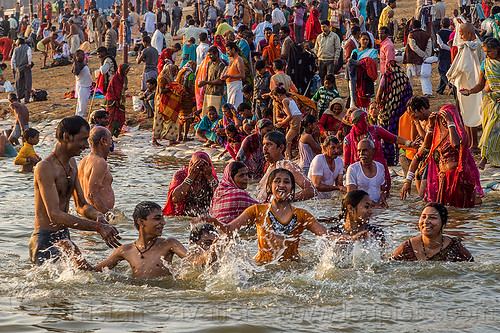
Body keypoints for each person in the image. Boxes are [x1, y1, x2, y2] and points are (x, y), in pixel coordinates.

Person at [30, 116, 121, 266]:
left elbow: (81, 205)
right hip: (45, 239)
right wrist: (97, 228)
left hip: (64, 236)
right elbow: (54, 215)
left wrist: (99, 216)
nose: (86, 146)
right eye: (83, 139)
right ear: (67, 137)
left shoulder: (71, 163)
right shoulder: (45, 167)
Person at [206, 168, 328, 264]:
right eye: (277, 181)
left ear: (291, 188)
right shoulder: (257, 210)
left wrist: (346, 237)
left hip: (292, 267)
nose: (281, 185)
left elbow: (326, 235)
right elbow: (229, 229)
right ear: (269, 187)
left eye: (286, 182)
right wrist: (214, 222)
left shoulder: (301, 215)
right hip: (263, 266)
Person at [60, 201, 188, 278]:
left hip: (163, 297)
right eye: (157, 218)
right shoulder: (126, 250)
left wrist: (207, 253)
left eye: (163, 218)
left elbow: (193, 259)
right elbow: (92, 272)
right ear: (141, 222)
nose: (163, 223)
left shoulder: (169, 244)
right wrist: (73, 251)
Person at [401, 105, 483, 208]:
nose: (444, 121)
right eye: (442, 118)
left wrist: (451, 123)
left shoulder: (460, 135)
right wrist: (408, 181)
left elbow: (456, 144)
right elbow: (419, 154)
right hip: (443, 180)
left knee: (460, 210)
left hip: (458, 179)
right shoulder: (437, 137)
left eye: (447, 118)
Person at [447, 23, 485, 155]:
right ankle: (470, 142)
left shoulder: (475, 46)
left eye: (462, 34)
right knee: (466, 112)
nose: (461, 37)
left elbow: (470, 67)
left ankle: (475, 143)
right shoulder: (469, 46)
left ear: (469, 33)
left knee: (474, 111)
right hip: (466, 85)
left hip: (474, 84)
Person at [392, 202, 473, 261]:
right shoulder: (407, 248)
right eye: (423, 217)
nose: (426, 221)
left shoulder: (455, 248)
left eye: (432, 217)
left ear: (443, 222)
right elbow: (388, 267)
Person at [466, 37, 500, 168]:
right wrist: (469, 91)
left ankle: (484, 159)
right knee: (490, 130)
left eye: (490, 51)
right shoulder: (485, 63)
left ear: (497, 49)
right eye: (485, 52)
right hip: (489, 101)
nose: (487, 55)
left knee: (492, 130)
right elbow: (480, 85)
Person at [256, 131, 315, 202]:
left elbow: (311, 190)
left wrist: (286, 200)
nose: (264, 148)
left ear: (280, 148)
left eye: (269, 144)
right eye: (264, 144)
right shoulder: (271, 166)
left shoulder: (287, 166)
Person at [375, 60, 413, 166]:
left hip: (389, 109)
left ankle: (389, 159)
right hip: (402, 111)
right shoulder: (403, 76)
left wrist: (380, 105)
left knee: (388, 134)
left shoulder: (387, 76)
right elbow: (409, 93)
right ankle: (401, 158)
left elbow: (379, 93)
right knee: (399, 133)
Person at [163, 151, 219, 217]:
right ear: (191, 166)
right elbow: (175, 198)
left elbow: (221, 198)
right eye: (197, 168)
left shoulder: (210, 176)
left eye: (203, 169)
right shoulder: (181, 175)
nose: (200, 172)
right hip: (184, 217)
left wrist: (209, 177)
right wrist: (191, 177)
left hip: (205, 216)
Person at [78, 126, 114, 215]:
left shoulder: (84, 160)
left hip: (89, 213)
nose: (111, 144)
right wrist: (108, 215)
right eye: (110, 140)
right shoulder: (100, 162)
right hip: (99, 216)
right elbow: (92, 193)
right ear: (103, 141)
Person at [346, 139, 388, 207]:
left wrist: (382, 198)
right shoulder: (353, 169)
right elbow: (352, 196)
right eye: (359, 151)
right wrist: (375, 205)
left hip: (377, 207)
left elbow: (382, 190)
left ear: (373, 151)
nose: (361, 154)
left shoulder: (380, 167)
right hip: (362, 209)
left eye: (365, 150)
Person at [152, 64, 182, 146]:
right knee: (159, 119)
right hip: (161, 101)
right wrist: (173, 87)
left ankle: (171, 138)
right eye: (174, 71)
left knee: (173, 118)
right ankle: (155, 139)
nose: (175, 73)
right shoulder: (162, 78)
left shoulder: (169, 77)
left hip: (168, 101)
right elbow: (162, 90)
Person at [271, 86, 303, 160]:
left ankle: (288, 159)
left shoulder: (284, 101)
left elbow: (289, 116)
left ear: (279, 95)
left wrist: (281, 123)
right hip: (298, 118)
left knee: (287, 140)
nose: (276, 100)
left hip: (295, 120)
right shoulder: (290, 99)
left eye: (276, 98)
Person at [347, 32, 378, 109]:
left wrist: (362, 63)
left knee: (366, 100)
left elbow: (374, 65)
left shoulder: (372, 51)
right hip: (355, 78)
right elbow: (351, 64)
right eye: (363, 39)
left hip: (366, 79)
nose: (365, 41)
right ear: (359, 40)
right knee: (354, 96)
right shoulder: (355, 52)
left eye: (367, 39)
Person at [405, 20, 433, 96]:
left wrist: (422, 55)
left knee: (409, 77)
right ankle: (427, 92)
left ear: (412, 27)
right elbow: (429, 47)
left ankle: (408, 92)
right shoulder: (427, 35)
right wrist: (426, 56)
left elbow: (413, 47)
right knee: (424, 76)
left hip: (412, 60)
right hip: (422, 61)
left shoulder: (411, 35)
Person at [196, 46, 226, 117]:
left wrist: (206, 82)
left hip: (217, 93)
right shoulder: (210, 63)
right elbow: (207, 76)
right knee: (207, 115)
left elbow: (220, 81)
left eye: (211, 55)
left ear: (216, 54)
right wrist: (203, 83)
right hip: (208, 92)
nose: (210, 57)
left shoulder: (221, 65)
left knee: (214, 115)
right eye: (209, 55)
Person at [104, 63, 129, 138]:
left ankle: (115, 133)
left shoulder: (124, 78)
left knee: (120, 117)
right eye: (126, 71)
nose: (126, 72)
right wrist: (116, 101)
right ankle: (109, 135)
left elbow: (122, 89)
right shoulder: (115, 78)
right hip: (113, 100)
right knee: (111, 119)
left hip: (120, 101)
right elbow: (113, 90)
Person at [175, 61, 197, 141]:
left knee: (181, 116)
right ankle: (185, 136)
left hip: (180, 96)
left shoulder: (181, 72)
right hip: (187, 96)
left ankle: (179, 135)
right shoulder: (190, 74)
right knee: (187, 117)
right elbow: (190, 85)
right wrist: (193, 94)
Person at [314, 21, 341, 85]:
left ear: (329, 26)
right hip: (321, 59)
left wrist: (336, 58)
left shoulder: (334, 36)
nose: (323, 28)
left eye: (324, 26)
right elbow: (316, 49)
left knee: (330, 78)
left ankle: (333, 92)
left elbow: (338, 48)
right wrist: (316, 59)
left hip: (330, 59)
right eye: (322, 27)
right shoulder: (319, 37)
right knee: (321, 78)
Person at [222, 41, 245, 109]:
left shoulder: (239, 60)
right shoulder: (231, 60)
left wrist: (229, 76)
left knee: (236, 106)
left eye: (228, 50)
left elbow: (242, 75)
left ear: (233, 49)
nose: (227, 53)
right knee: (230, 106)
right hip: (230, 86)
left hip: (236, 85)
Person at [11, 38, 32, 104]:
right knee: (27, 83)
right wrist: (29, 63)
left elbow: (13, 59)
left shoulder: (16, 49)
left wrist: (13, 68)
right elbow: (29, 55)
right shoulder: (27, 47)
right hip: (26, 66)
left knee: (19, 84)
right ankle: (26, 99)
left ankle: (19, 98)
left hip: (18, 68)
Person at [72, 50, 91, 118]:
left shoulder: (82, 63)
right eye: (80, 55)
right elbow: (76, 72)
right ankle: (80, 118)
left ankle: (78, 117)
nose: (82, 56)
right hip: (82, 86)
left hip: (86, 85)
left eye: (83, 55)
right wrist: (75, 62)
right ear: (76, 56)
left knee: (82, 104)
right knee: (82, 105)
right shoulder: (77, 64)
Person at [436, 18, 453, 95]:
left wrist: (449, 49)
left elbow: (441, 44)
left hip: (443, 54)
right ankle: (440, 90)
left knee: (442, 71)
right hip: (450, 54)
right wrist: (451, 49)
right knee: (447, 70)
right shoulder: (452, 33)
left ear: (441, 24)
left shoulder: (439, 33)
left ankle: (450, 85)